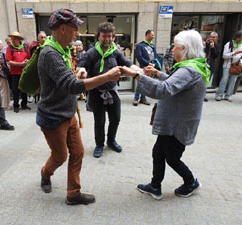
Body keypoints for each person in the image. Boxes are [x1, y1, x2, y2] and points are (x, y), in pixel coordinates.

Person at [37, 8, 122, 205]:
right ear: (64, 28)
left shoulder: (62, 49)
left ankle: (73, 194)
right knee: (60, 157)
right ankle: (45, 173)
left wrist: (78, 74)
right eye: (75, 29)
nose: (77, 33)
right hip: (53, 117)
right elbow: (73, 87)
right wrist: (107, 77)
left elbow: (67, 81)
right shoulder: (50, 53)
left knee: (78, 153)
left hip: (68, 113)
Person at [121, 29, 210, 200]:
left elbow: (165, 89)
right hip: (174, 123)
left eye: (175, 46)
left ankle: (191, 182)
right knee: (159, 153)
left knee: (172, 158)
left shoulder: (189, 70)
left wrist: (136, 75)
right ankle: (155, 186)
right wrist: (157, 73)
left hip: (176, 125)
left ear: (184, 49)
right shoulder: (192, 67)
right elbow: (174, 83)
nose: (172, 49)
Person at [77, 22, 143, 158]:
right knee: (99, 121)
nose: (106, 39)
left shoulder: (116, 52)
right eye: (103, 36)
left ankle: (111, 140)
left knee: (116, 118)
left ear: (113, 37)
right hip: (96, 91)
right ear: (98, 37)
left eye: (109, 36)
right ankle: (99, 144)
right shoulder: (92, 52)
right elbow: (81, 65)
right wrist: (82, 71)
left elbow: (128, 64)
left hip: (112, 91)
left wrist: (141, 71)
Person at [6, 31, 31, 113]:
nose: (12, 40)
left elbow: (29, 58)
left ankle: (24, 104)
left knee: (24, 88)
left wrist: (27, 61)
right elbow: (9, 61)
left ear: (19, 39)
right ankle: (16, 105)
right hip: (14, 73)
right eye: (12, 38)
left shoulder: (25, 47)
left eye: (14, 38)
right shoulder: (10, 48)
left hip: (24, 72)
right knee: (15, 90)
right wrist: (21, 64)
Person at [215, 30, 242, 102]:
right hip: (227, 65)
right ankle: (219, 95)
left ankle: (228, 95)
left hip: (237, 66)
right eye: (239, 38)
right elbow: (224, 56)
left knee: (233, 81)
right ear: (236, 37)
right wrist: (234, 53)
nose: (240, 39)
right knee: (224, 80)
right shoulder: (229, 44)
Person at [133, 29, 157, 106]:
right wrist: (148, 63)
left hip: (151, 67)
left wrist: (154, 64)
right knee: (141, 82)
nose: (153, 36)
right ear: (147, 35)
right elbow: (139, 57)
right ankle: (136, 98)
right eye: (152, 35)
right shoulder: (141, 45)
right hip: (143, 67)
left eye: (153, 35)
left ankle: (143, 98)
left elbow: (155, 56)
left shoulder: (153, 46)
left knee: (146, 84)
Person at [204, 32, 219, 102]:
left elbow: (216, 55)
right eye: (211, 37)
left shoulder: (216, 46)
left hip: (211, 63)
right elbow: (203, 52)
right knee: (202, 79)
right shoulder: (206, 44)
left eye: (213, 37)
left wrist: (213, 48)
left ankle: (203, 95)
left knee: (207, 79)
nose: (211, 38)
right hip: (204, 62)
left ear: (216, 38)